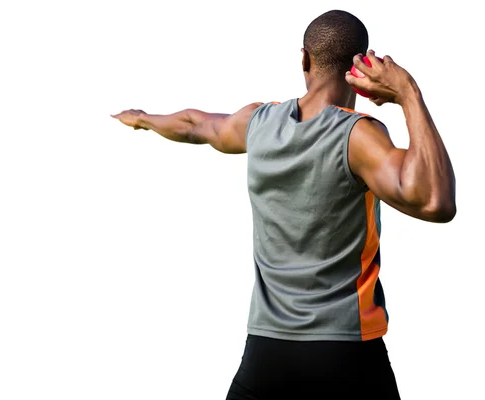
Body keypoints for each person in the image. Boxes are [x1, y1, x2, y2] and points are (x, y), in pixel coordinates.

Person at [111, 9, 455, 400]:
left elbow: (194, 124)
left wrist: (142, 119)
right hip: (346, 353)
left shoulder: (259, 124)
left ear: (305, 59)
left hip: (266, 353)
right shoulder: (359, 137)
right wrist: (408, 92)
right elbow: (434, 201)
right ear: (360, 66)